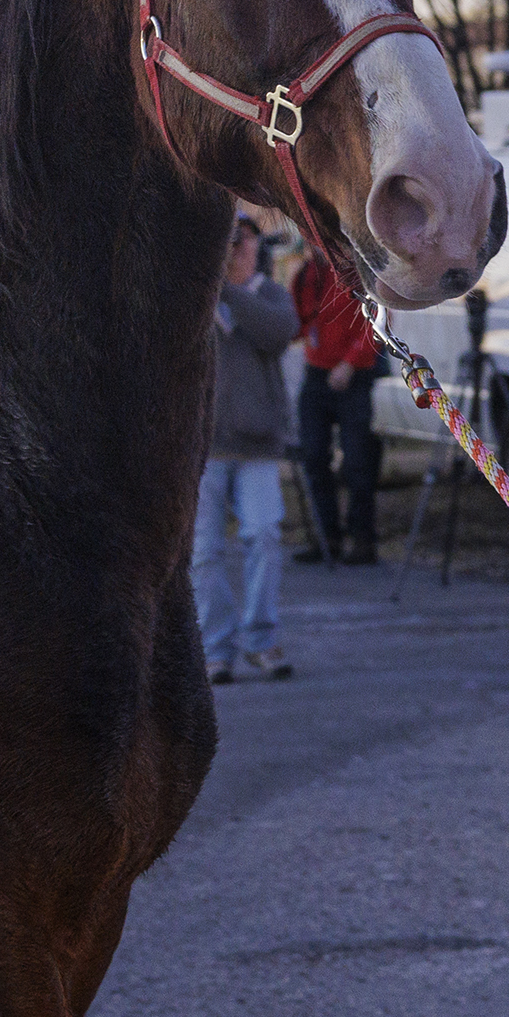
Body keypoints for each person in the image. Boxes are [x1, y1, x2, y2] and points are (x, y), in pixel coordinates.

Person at [198, 213, 302, 682]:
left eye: (247, 241)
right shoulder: (197, 296)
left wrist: (228, 287)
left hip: (258, 445)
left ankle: (261, 639)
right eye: (232, 241)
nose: (240, 249)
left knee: (262, 537)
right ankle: (214, 649)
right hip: (205, 448)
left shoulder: (269, 293)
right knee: (203, 553)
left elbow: (277, 334)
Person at [289, 230, 385, 566]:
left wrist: (350, 362)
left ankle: (363, 539)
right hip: (316, 375)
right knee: (313, 457)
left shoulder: (356, 270)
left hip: (353, 376)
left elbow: (375, 322)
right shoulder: (305, 275)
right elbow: (298, 322)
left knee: (358, 461)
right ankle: (325, 537)